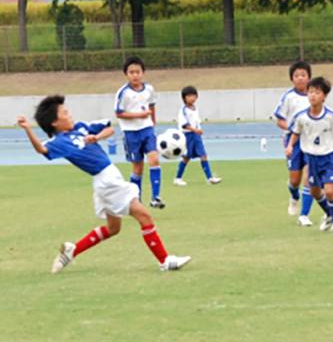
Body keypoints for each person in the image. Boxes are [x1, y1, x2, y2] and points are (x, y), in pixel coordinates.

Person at [17, 95, 191, 273]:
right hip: (107, 182)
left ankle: (72, 251)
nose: (70, 115)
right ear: (54, 122)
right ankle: (165, 260)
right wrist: (28, 129)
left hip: (108, 178)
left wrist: (97, 137)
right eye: (65, 113)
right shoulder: (59, 142)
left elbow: (109, 129)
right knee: (144, 216)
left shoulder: (80, 128)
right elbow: (42, 149)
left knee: (113, 228)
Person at [286, 77, 333, 234]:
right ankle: (330, 214)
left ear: (324, 96)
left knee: (329, 191)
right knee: (315, 192)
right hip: (312, 159)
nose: (313, 95)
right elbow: (295, 132)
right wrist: (289, 146)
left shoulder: (331, 115)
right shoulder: (301, 116)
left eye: (317, 92)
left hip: (330, 157)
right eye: (310, 92)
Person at [114, 56, 164, 208]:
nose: (135, 75)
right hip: (131, 133)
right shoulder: (123, 93)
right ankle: (136, 200)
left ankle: (156, 197)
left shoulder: (149, 89)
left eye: (138, 72)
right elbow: (119, 113)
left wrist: (152, 121)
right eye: (131, 72)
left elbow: (152, 105)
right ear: (126, 74)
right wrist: (139, 115)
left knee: (154, 159)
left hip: (147, 130)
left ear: (143, 72)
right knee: (138, 168)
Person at [273, 60, 315, 225]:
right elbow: (279, 120)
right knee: (294, 180)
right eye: (296, 75)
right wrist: (293, 129)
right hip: (293, 141)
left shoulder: (314, 95)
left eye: (303, 75)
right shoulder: (288, 97)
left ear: (309, 77)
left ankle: (304, 215)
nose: (300, 78)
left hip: (311, 141)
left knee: (310, 176)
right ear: (292, 79)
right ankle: (294, 196)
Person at [173, 86, 222, 186]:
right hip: (187, 136)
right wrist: (195, 130)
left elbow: (196, 121)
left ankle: (210, 178)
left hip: (196, 136)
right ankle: (178, 178)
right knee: (186, 157)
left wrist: (199, 130)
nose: (192, 98)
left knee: (203, 155)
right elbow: (184, 124)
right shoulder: (183, 110)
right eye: (189, 96)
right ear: (184, 98)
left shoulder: (195, 109)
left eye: (193, 95)